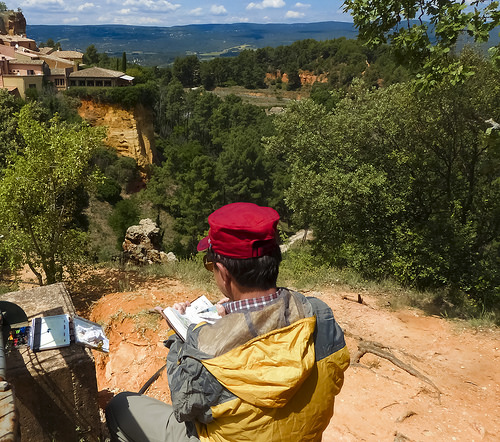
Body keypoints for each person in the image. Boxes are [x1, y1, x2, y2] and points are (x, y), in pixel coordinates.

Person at [106, 202, 350, 442]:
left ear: (223, 273)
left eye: (210, 265)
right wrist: (238, 316)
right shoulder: (320, 314)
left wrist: (182, 337)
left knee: (119, 407)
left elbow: (184, 408)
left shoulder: (206, 348)